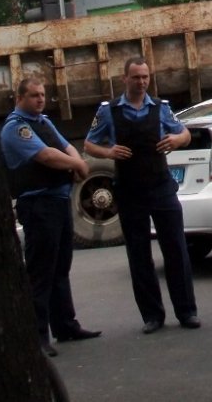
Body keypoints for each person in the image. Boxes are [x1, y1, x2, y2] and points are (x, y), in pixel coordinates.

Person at [84, 57, 200, 334]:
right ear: (125, 78)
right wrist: (108, 152)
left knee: (176, 250)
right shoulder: (109, 111)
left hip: (161, 187)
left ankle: (187, 312)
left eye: (145, 76)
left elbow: (184, 134)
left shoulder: (161, 108)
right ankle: (152, 316)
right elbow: (89, 144)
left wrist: (177, 140)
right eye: (136, 77)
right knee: (139, 255)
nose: (141, 82)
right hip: (129, 190)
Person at [1, 78, 101, 357]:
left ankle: (65, 325)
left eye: (43, 95)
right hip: (38, 204)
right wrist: (79, 164)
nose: (40, 100)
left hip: (57, 201)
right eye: (34, 95)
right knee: (41, 272)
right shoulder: (16, 128)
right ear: (19, 98)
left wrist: (75, 161)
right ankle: (37, 336)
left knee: (60, 267)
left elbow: (65, 146)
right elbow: (46, 156)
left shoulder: (43, 122)